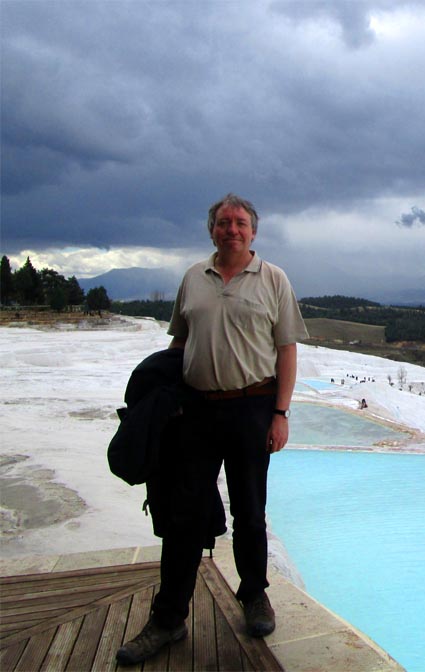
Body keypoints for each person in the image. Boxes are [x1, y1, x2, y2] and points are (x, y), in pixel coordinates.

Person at [117, 193, 308, 665]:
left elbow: (286, 350)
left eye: (240, 223)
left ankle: (254, 595)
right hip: (197, 411)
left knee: (249, 510)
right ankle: (168, 619)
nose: (232, 230)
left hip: (253, 407)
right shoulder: (192, 279)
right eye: (224, 223)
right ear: (212, 231)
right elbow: (180, 343)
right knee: (183, 515)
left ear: (253, 232)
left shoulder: (274, 279)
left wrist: (280, 414)